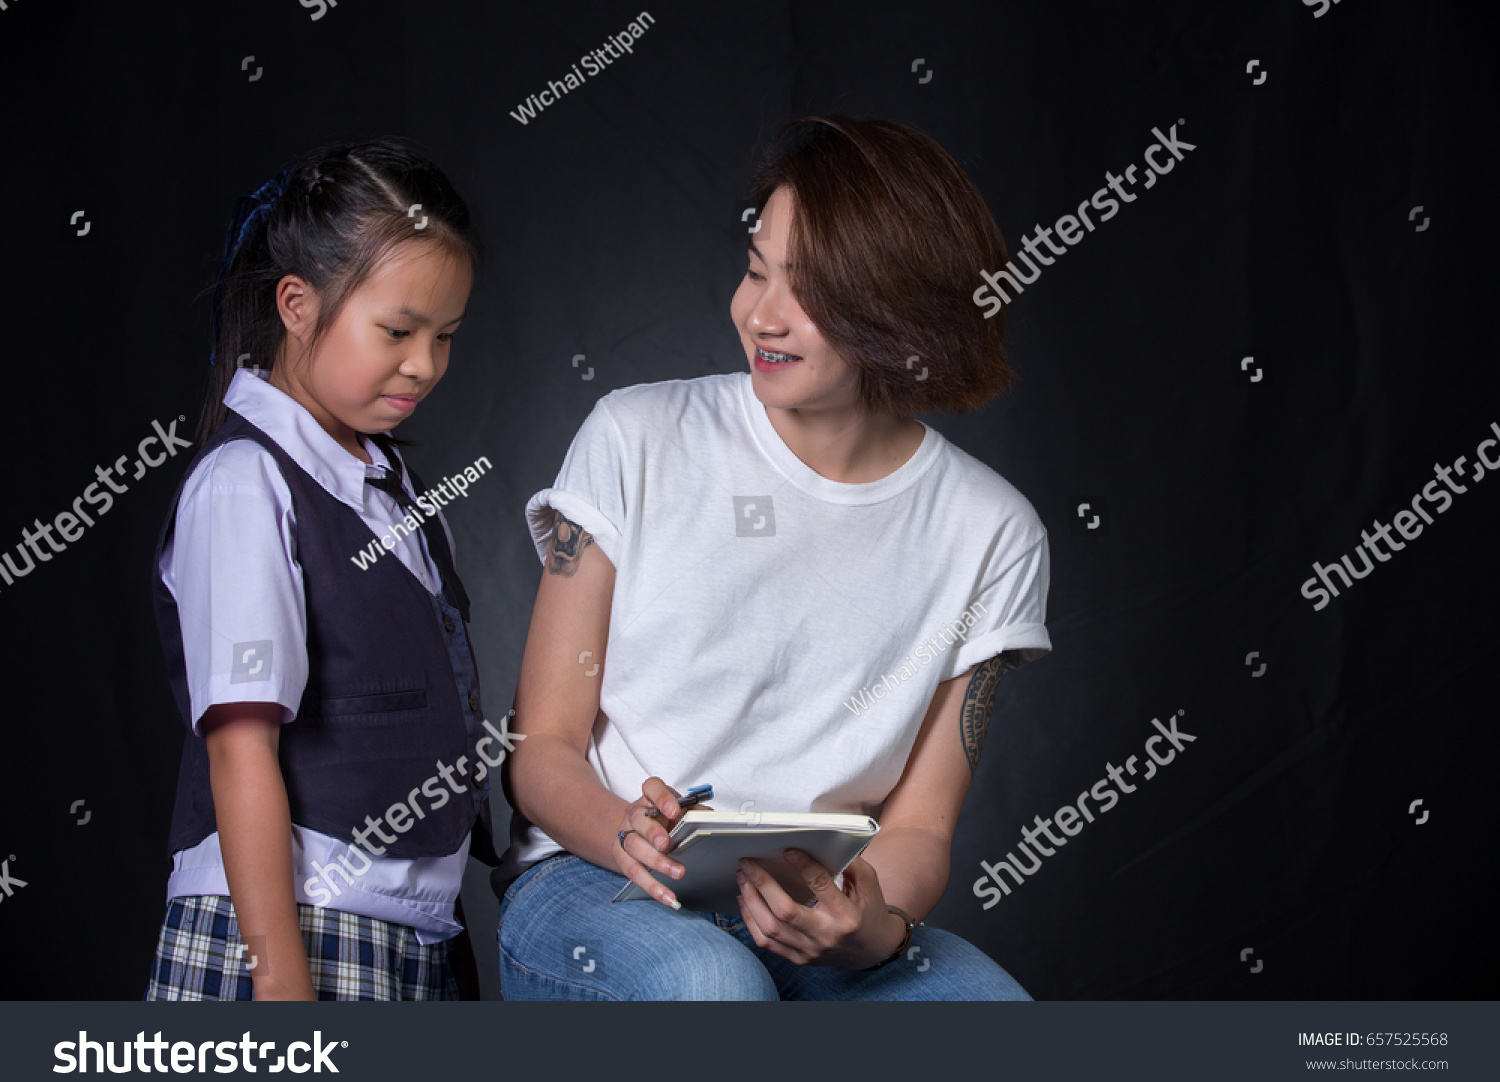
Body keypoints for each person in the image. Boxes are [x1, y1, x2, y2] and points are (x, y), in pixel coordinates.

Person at [493, 116, 1051, 1000]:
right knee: (711, 986)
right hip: (595, 881)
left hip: (809, 909)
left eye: (812, 293)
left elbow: (918, 829)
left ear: (900, 308)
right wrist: (625, 832)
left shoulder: (993, 531)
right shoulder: (636, 434)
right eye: (757, 270)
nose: (761, 314)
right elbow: (543, 748)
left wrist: (868, 926)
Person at [145, 137, 499, 1001]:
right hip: (284, 932)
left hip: (415, 935)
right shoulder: (243, 483)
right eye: (398, 330)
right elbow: (239, 748)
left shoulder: (400, 494)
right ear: (297, 305)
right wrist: (280, 979)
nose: (425, 363)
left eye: (445, 335)